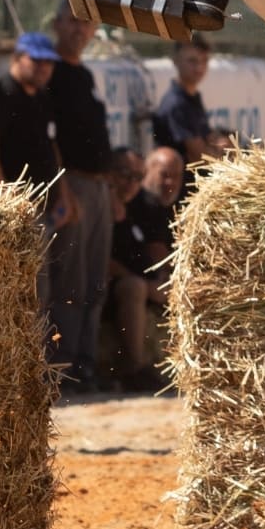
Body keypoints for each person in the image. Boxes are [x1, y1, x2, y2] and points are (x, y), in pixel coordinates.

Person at [0, 31, 61, 356]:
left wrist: (63, 193)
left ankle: (35, 357)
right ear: (17, 58)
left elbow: (51, 146)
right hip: (15, 209)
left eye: (48, 63)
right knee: (24, 287)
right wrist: (4, 192)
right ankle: (22, 358)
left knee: (40, 287)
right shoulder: (2, 93)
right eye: (36, 60)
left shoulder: (40, 96)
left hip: (41, 204)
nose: (43, 68)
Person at [42, 11, 117, 391]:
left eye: (86, 23)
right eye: (72, 21)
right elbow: (50, 139)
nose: (79, 30)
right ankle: (64, 366)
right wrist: (63, 192)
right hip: (72, 187)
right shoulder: (50, 73)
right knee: (69, 282)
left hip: (99, 187)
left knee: (94, 281)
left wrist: (111, 190)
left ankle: (87, 365)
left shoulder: (85, 75)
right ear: (56, 24)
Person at [108, 146, 183, 389]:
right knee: (135, 287)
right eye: (125, 175)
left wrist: (162, 279)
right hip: (109, 285)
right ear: (110, 175)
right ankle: (134, 366)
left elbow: (158, 255)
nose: (131, 183)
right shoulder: (101, 206)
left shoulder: (146, 205)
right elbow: (99, 260)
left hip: (143, 281)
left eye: (137, 178)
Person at [151, 38, 228, 177]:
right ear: (176, 61)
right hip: (179, 188)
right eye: (192, 61)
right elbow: (200, 157)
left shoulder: (192, 97)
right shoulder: (176, 103)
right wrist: (221, 154)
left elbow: (208, 139)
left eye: (204, 61)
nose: (199, 67)